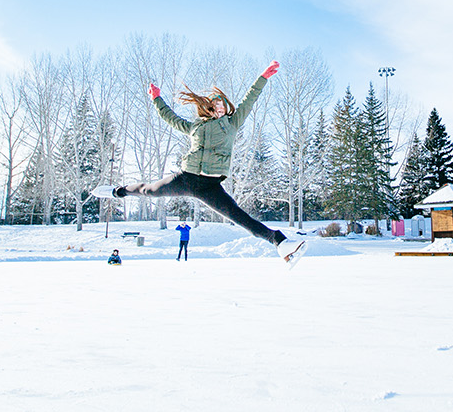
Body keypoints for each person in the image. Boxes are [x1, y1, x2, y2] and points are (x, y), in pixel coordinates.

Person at [99, 62, 304, 263]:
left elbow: (249, 99)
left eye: (223, 105)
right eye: (216, 105)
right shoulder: (194, 126)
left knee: (239, 217)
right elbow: (170, 117)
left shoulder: (232, 123)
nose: (220, 108)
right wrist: (156, 99)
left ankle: (279, 242)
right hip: (186, 178)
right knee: (150, 190)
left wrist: (263, 78)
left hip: (209, 186)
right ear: (209, 108)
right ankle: (118, 191)